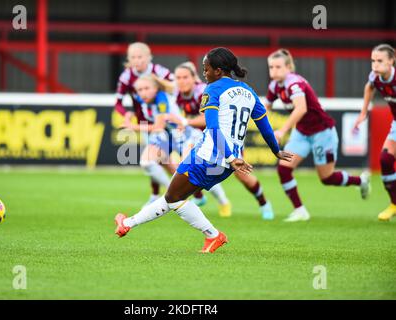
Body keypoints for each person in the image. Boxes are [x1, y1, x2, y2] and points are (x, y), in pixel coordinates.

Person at [114, 47, 292, 253]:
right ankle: (127, 223)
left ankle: (213, 235)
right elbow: (264, 125)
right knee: (174, 197)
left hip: (208, 155)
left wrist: (231, 156)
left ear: (218, 70)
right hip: (226, 163)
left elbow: (213, 128)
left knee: (173, 198)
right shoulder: (248, 91)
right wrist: (275, 150)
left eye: (206, 69)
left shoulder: (213, 90)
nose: (204, 73)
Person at [265, 49, 371, 222]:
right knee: (284, 168)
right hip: (302, 133)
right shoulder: (274, 86)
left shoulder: (294, 83)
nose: (274, 71)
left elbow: (301, 108)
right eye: (271, 67)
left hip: (322, 132)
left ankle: (360, 181)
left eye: (278, 67)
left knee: (327, 178)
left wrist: (282, 131)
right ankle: (300, 211)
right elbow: (265, 108)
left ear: (289, 67)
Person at [171, 61, 275, 220]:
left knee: (242, 175)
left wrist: (186, 122)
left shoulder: (203, 91)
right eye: (178, 77)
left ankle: (263, 202)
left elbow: (208, 121)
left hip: (224, 139)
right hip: (203, 140)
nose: (181, 81)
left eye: (185, 77)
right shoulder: (178, 94)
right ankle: (203, 198)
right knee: (188, 164)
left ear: (194, 78)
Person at [114, 42, 175, 205]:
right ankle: (168, 194)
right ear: (129, 59)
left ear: (148, 57)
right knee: (160, 161)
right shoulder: (126, 76)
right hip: (146, 121)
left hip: (167, 123)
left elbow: (176, 86)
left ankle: (173, 194)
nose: (137, 60)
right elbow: (118, 103)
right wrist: (127, 114)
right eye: (133, 57)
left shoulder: (158, 71)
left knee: (153, 160)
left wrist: (159, 82)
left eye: (140, 56)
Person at [122, 74, 195, 198]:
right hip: (167, 136)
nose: (143, 93)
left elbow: (158, 127)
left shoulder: (162, 99)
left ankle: (222, 201)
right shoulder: (143, 98)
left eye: (146, 88)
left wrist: (133, 127)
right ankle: (173, 195)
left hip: (182, 135)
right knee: (151, 163)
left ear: (155, 89)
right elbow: (137, 105)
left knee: (191, 172)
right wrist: (129, 114)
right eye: (139, 90)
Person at [353, 44, 396, 221]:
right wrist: (364, 112)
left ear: (392, 61)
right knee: (385, 159)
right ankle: (394, 203)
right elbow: (369, 87)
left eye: (380, 61)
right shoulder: (375, 77)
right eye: (373, 61)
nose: (375, 65)